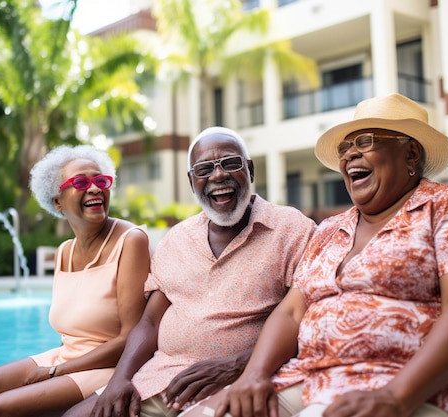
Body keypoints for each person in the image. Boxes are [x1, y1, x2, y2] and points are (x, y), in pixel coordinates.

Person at [202, 93, 448, 417]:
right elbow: (292, 312)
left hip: (418, 390)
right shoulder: (329, 229)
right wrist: (253, 374)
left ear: (410, 153)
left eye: (365, 142)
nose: (350, 154)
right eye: (344, 148)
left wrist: (394, 397)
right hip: (312, 379)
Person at [62, 126, 316, 417]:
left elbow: (308, 322)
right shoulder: (177, 239)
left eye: (231, 163)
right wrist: (120, 380)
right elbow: (149, 322)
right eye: (204, 169)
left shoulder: (292, 230)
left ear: (250, 170)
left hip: (235, 382)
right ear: (192, 181)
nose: (218, 175)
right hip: (157, 379)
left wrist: (236, 364)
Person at [0, 145, 151, 417]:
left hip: (111, 367)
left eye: (100, 180)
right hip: (67, 357)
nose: (94, 188)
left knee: (0, 409)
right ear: (57, 201)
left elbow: (130, 338)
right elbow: (71, 335)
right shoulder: (64, 252)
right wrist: (57, 367)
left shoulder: (131, 240)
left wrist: (56, 372)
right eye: (80, 182)